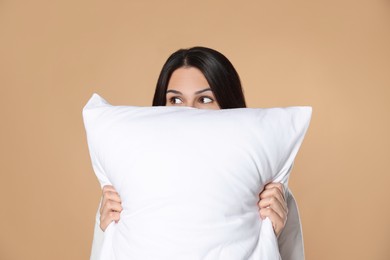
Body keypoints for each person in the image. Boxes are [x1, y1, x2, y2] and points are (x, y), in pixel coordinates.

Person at [90, 46, 305, 260]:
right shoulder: (127, 187)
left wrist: (270, 234)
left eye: (204, 100)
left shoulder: (272, 195)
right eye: (175, 100)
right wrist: (107, 230)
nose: (188, 111)